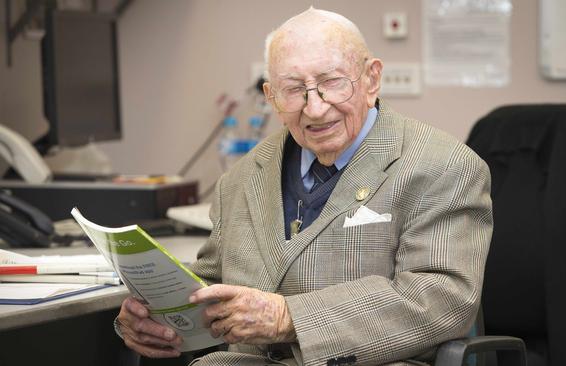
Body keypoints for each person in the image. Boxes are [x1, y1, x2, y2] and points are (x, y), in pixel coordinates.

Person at [115, 8, 492, 366]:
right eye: (294, 90)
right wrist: (157, 317)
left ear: (371, 79)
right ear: (272, 98)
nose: (314, 108)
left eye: (331, 83)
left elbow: (442, 301)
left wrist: (289, 317)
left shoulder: (443, 165)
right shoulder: (242, 177)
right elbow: (212, 286)